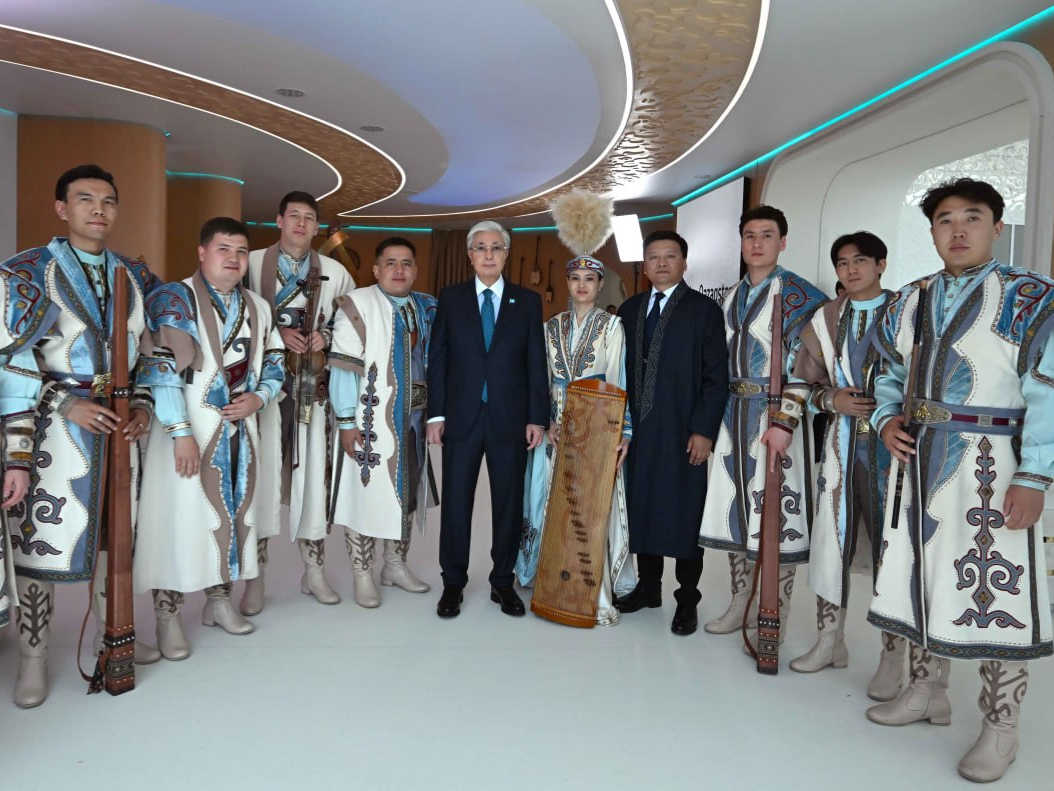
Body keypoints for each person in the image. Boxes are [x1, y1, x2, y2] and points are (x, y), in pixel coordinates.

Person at [867, 178, 1054, 783]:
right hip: (919, 459)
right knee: (921, 574)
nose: (958, 230)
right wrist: (885, 418)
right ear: (932, 232)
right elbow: (888, 371)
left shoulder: (1031, 297)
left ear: (997, 227)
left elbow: (1048, 390)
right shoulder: (909, 298)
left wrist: (1035, 476)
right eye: (945, 219)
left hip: (994, 464)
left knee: (997, 591)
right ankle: (927, 691)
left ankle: (1001, 727)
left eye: (972, 217)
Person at [0, 164, 162, 708]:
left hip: (120, 430)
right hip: (53, 432)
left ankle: (111, 638)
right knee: (40, 545)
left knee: (117, 539)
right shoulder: (25, 273)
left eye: (108, 200)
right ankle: (33, 658)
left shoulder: (135, 276)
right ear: (61, 208)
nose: (99, 209)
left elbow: (152, 354)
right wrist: (64, 404)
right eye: (85, 198)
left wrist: (141, 405)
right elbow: (12, 364)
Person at [759, 232, 904, 695]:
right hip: (841, 446)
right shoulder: (825, 318)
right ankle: (829, 641)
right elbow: (803, 380)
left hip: (896, 452)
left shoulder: (906, 312)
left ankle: (893, 658)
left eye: (860, 260)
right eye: (842, 263)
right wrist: (829, 402)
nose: (851, 270)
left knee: (893, 551)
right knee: (831, 543)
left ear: (881, 264)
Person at [135, 217, 285, 659]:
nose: (234, 259)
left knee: (233, 515)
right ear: (202, 252)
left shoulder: (258, 306)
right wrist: (180, 432)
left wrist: (260, 397)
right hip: (187, 433)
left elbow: (275, 359)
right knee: (177, 520)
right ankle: (167, 617)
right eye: (224, 249)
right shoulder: (172, 298)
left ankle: (219, 602)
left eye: (241, 251)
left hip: (241, 433)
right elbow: (160, 370)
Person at [699, 205, 826, 648]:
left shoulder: (799, 295)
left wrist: (786, 420)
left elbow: (808, 365)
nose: (757, 243)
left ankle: (774, 613)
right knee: (737, 512)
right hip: (733, 413)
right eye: (750, 235)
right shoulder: (733, 294)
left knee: (777, 515)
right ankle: (740, 602)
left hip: (775, 418)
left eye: (767, 235)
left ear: (782, 242)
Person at [427, 220, 547, 619]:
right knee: (456, 502)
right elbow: (438, 358)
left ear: (506, 254)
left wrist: (537, 417)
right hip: (461, 417)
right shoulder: (452, 298)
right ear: (470, 255)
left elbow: (536, 362)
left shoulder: (526, 302)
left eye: (496, 247)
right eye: (481, 247)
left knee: (508, 503)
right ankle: (453, 582)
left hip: (510, 419)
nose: (489, 254)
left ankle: (502, 581)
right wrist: (436, 414)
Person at [614, 230, 729, 635]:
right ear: (644, 265)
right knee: (642, 507)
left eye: (670, 256)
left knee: (683, 513)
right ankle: (649, 588)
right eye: (654, 257)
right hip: (636, 432)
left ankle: (687, 599)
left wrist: (703, 430)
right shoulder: (629, 310)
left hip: (682, 431)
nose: (661, 263)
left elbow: (716, 377)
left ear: (684, 262)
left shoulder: (704, 311)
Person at [245, 191, 355, 614]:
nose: (301, 224)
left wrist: (324, 336)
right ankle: (255, 578)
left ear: (316, 226)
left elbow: (351, 321)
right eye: (294, 216)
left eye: (309, 218)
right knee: (260, 480)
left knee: (313, 480)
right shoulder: (251, 263)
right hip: (263, 393)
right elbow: (233, 314)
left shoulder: (335, 272)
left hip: (313, 389)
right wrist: (276, 333)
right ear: (279, 220)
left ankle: (314, 571)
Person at [515, 253, 637, 625]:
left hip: (596, 423)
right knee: (548, 497)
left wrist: (622, 430)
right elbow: (538, 377)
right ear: (568, 284)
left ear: (600, 286)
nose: (582, 285)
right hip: (555, 424)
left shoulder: (612, 327)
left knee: (589, 504)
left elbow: (617, 379)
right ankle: (549, 577)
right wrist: (546, 421)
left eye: (589, 279)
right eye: (575, 278)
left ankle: (591, 589)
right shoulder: (550, 326)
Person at [328, 238, 435, 608]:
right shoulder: (357, 304)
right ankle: (362, 573)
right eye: (391, 263)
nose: (399, 270)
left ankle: (395, 565)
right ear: (376, 270)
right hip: (369, 420)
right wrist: (346, 421)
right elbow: (344, 368)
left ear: (415, 270)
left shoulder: (427, 307)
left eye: (406, 263)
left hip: (414, 422)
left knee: (406, 493)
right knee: (365, 495)